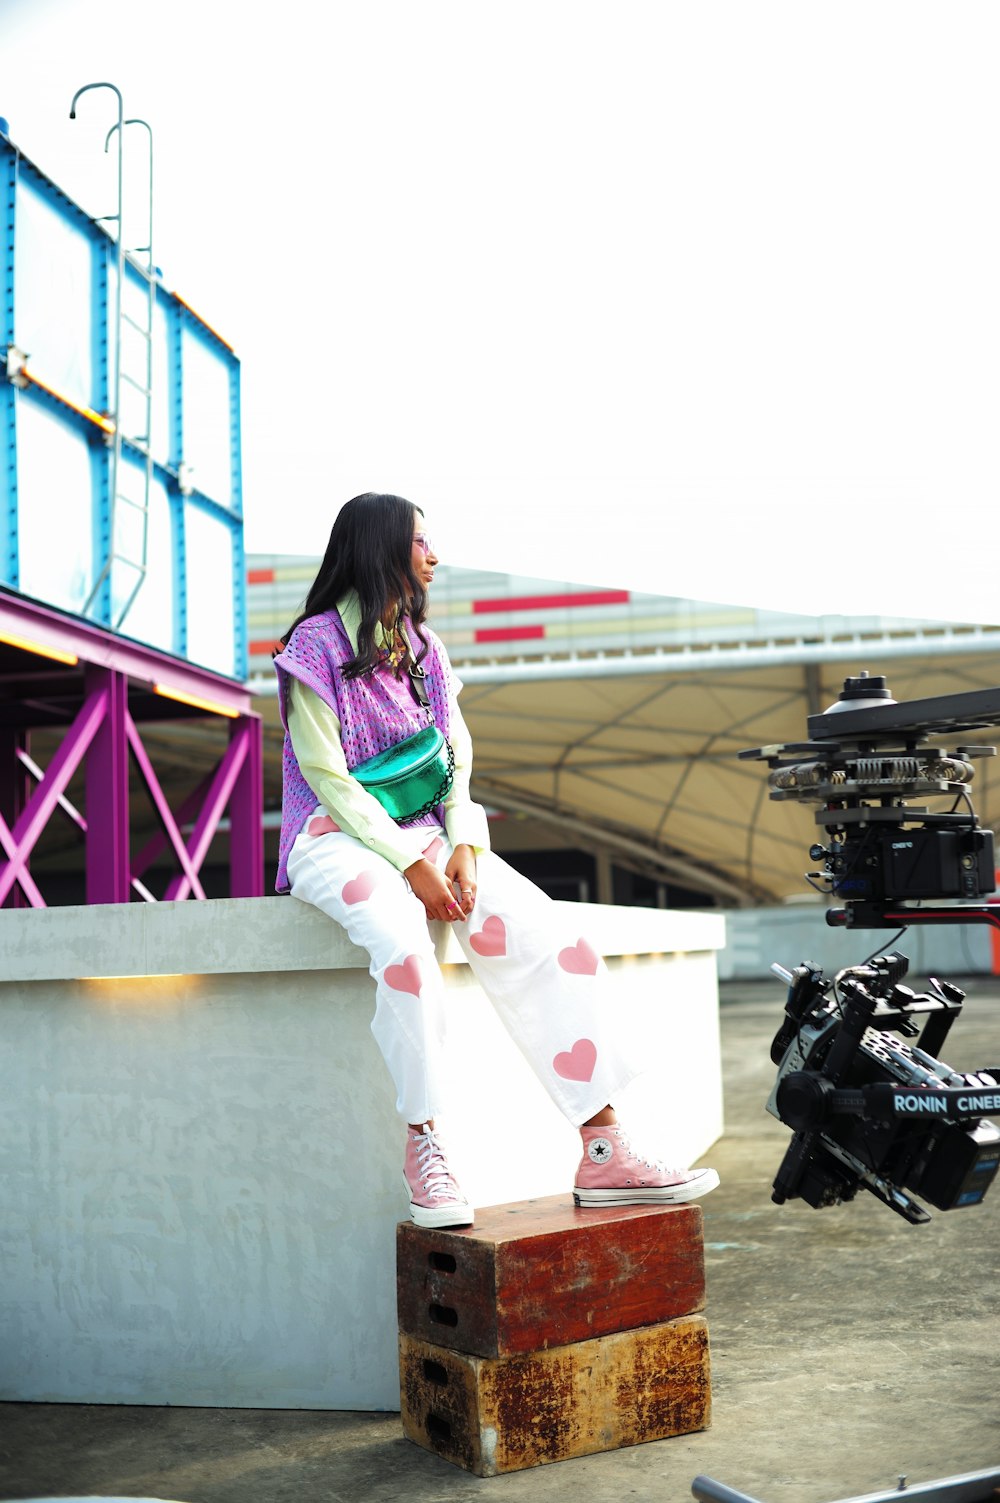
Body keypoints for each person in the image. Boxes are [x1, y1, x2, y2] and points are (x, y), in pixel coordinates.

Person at [273, 492, 719, 1228]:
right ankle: (426, 1148)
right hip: (332, 834)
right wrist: (408, 861)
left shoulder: (425, 649)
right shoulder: (314, 646)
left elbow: (455, 762)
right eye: (421, 542)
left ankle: (605, 1151)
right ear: (383, 547)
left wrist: (465, 848)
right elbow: (326, 776)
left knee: (554, 940)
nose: (434, 556)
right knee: (404, 946)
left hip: (428, 834)